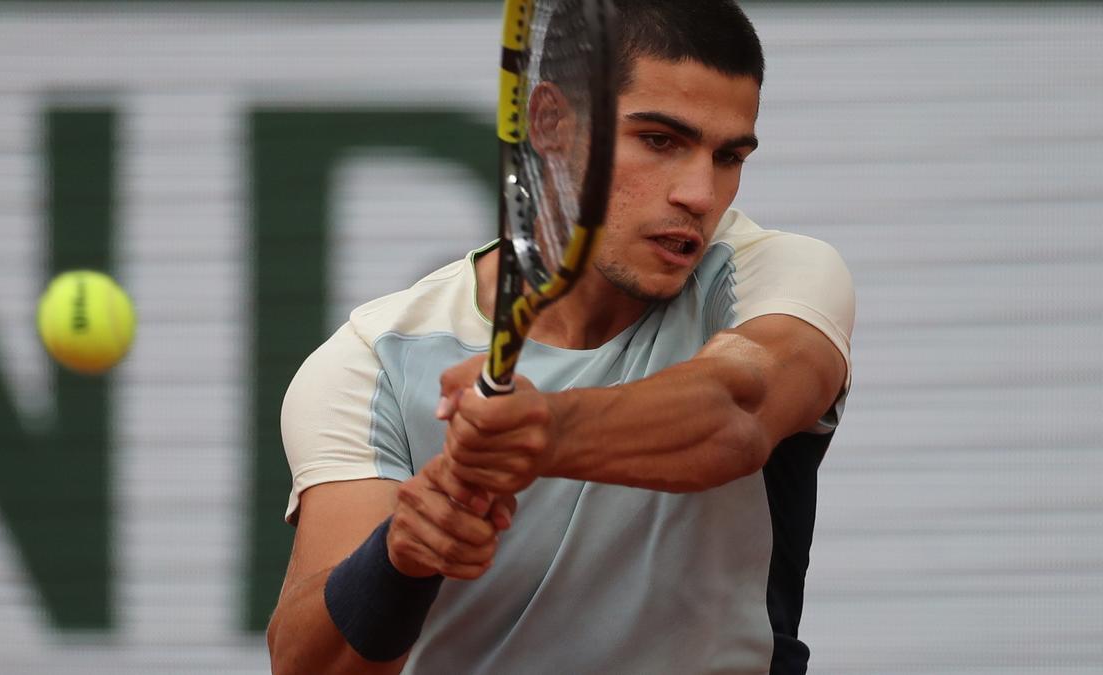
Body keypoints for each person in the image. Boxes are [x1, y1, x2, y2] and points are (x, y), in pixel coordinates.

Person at [266, 0, 854, 672]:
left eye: (728, 156)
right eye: (660, 140)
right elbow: (308, 666)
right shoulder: (374, 358)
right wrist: (403, 552)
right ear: (549, 122)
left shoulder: (775, 276)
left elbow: (738, 410)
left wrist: (543, 429)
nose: (699, 191)